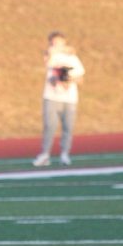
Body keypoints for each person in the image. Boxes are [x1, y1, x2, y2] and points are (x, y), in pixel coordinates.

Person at [34, 31, 85, 167]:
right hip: (51, 96)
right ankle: (45, 154)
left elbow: (80, 78)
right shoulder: (51, 55)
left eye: (59, 41)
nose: (56, 44)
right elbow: (47, 58)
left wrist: (68, 79)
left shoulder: (72, 58)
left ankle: (65, 154)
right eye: (53, 42)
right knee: (49, 126)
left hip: (69, 98)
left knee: (68, 127)